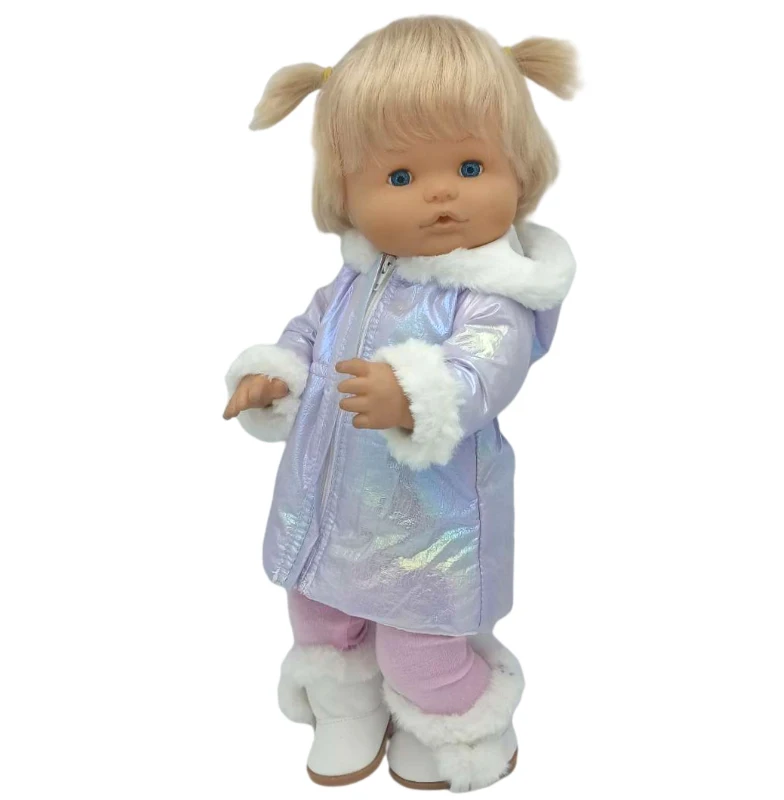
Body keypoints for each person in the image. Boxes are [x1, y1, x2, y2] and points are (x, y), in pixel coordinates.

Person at [223, 15, 577, 792]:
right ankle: (347, 711)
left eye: (472, 165)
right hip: (328, 509)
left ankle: (462, 726)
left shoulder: (491, 297)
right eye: (400, 177)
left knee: (421, 646)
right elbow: (309, 330)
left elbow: (485, 371)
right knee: (322, 620)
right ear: (346, 195)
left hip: (432, 525)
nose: (441, 191)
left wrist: (417, 394)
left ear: (520, 168)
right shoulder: (355, 277)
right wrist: (277, 376)